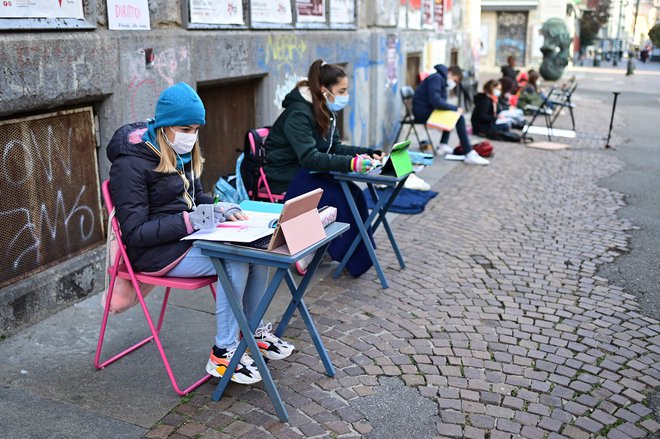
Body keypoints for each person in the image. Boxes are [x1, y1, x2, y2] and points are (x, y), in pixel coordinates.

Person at [107, 82, 294, 386]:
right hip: (153, 253)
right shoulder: (130, 164)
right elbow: (135, 233)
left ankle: (252, 330)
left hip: (182, 239)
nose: (191, 135)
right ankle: (223, 352)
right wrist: (189, 221)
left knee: (258, 250)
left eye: (195, 128)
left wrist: (220, 207)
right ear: (165, 126)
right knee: (233, 260)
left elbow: (196, 198)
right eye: (185, 127)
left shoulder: (178, 151)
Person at [263, 59, 383, 277]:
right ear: (323, 90)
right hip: (284, 174)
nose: (345, 96)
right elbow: (309, 157)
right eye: (342, 90)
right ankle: (307, 249)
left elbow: (335, 147)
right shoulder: (299, 113)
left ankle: (348, 255)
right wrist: (350, 163)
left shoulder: (324, 109)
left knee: (355, 193)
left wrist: (367, 152)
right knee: (337, 196)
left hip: (308, 170)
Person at [412, 64, 489, 165]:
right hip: (422, 113)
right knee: (458, 117)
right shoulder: (437, 78)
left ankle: (443, 144)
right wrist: (455, 108)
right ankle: (468, 152)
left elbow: (438, 101)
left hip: (427, 110)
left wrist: (453, 109)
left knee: (453, 115)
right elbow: (435, 101)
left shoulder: (440, 79)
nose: (454, 84)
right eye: (455, 80)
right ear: (451, 73)